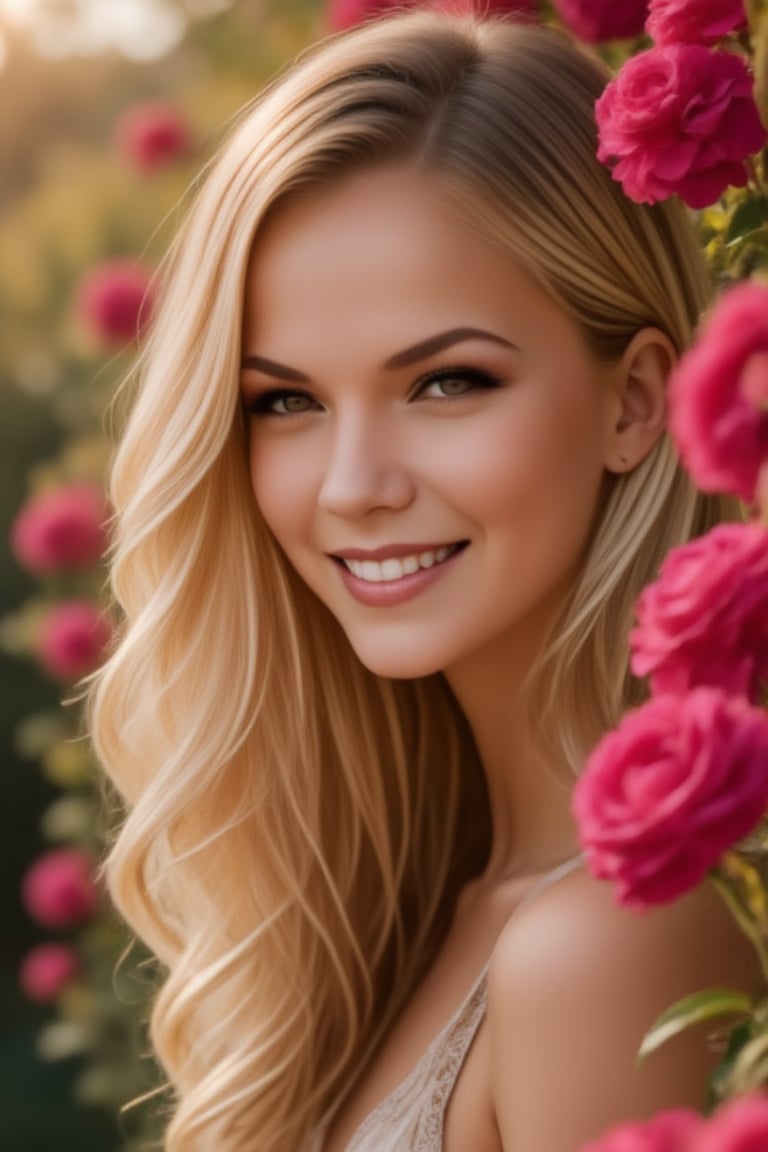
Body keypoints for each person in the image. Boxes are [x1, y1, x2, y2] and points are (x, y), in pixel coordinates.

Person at [89, 9, 758, 1152]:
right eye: (285, 401)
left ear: (636, 401)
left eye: (447, 383)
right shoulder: (410, 912)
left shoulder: (610, 944)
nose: (352, 486)